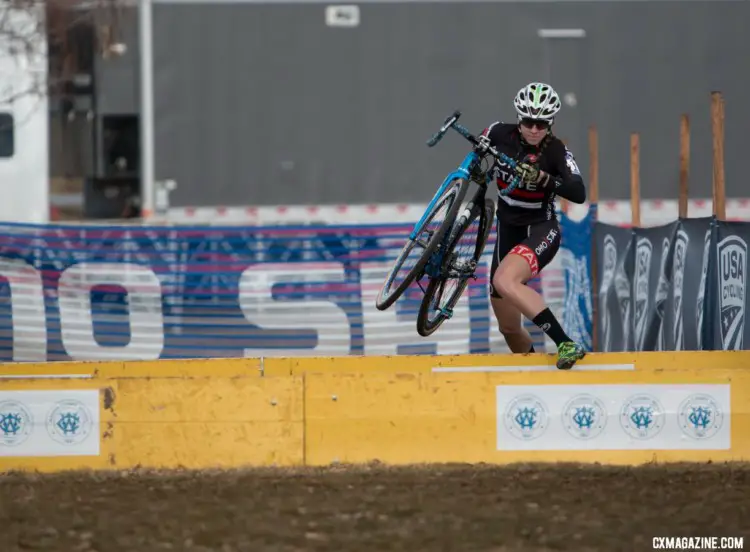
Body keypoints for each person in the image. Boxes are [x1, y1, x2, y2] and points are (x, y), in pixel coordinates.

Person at [478, 82, 587, 370]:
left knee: (504, 280)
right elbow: (478, 151)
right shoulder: (498, 133)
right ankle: (531, 373)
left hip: (540, 230)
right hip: (507, 231)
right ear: (519, 119)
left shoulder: (556, 150)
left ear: (550, 123)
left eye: (542, 124)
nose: (534, 129)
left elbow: (578, 192)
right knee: (509, 328)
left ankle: (565, 342)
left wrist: (545, 179)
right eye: (528, 121)